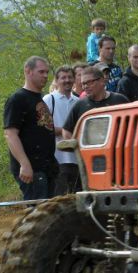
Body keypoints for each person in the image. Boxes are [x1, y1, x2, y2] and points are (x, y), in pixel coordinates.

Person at [3, 56, 57, 200]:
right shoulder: (17, 99)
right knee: (39, 216)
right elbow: (10, 134)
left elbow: (43, 128)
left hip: (47, 167)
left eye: (47, 72)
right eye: (41, 72)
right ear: (28, 71)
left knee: (51, 215)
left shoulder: (40, 99)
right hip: (32, 168)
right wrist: (24, 164)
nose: (45, 76)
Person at [43, 65, 82, 195]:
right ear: (57, 80)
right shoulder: (49, 99)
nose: (67, 80)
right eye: (63, 77)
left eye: (70, 77)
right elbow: (43, 127)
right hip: (57, 158)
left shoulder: (78, 102)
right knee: (59, 197)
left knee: (76, 198)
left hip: (77, 158)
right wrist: (66, 132)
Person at [62, 65, 130, 139]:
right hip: (90, 150)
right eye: (83, 84)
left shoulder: (119, 100)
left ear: (102, 81)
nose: (85, 87)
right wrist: (77, 147)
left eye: (89, 82)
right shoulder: (80, 105)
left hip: (117, 149)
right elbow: (66, 130)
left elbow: (134, 124)